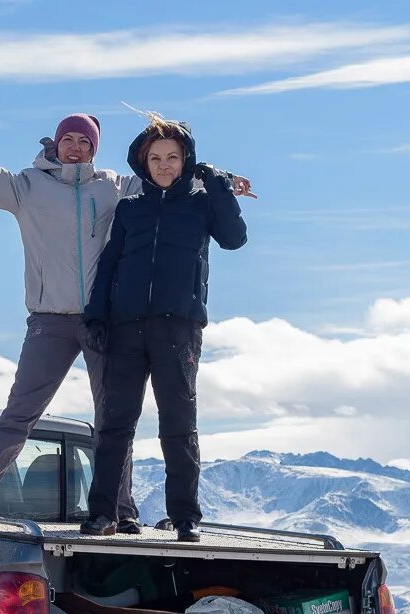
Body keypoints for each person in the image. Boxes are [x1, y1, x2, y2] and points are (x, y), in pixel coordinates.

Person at [0, 117, 250, 524]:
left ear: (94, 148)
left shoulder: (115, 187)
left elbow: (169, 172)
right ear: (55, 143)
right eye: (67, 139)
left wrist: (224, 180)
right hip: (49, 319)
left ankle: (121, 511)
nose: (74, 147)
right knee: (19, 412)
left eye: (83, 141)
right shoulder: (26, 186)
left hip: (105, 321)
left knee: (114, 420)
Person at [81, 114, 248, 542]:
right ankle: (102, 515)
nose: (164, 165)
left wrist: (217, 183)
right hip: (125, 328)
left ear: (186, 159)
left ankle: (187, 517)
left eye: (173, 157)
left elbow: (234, 238)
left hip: (179, 328)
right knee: (116, 424)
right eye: (155, 158)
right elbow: (110, 265)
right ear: (143, 161)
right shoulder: (130, 210)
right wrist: (96, 316)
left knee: (178, 424)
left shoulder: (201, 203)